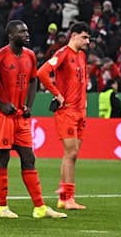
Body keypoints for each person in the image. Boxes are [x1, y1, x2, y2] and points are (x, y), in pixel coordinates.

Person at [0, 20, 66, 220]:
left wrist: (29, 106)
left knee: (28, 158)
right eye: (22, 31)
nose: (27, 33)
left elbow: (33, 80)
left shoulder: (30, 55)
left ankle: (40, 207)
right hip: (1, 115)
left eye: (27, 30)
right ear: (11, 35)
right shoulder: (0, 56)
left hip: (19, 115)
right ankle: (1, 207)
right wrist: (0, 103)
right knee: (3, 158)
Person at [37, 22, 89, 210]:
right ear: (73, 35)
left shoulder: (81, 56)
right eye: (84, 37)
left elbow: (82, 82)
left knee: (72, 155)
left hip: (80, 111)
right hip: (66, 111)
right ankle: (68, 198)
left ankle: (65, 196)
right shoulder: (62, 54)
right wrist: (56, 94)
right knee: (71, 152)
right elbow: (42, 72)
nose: (87, 41)